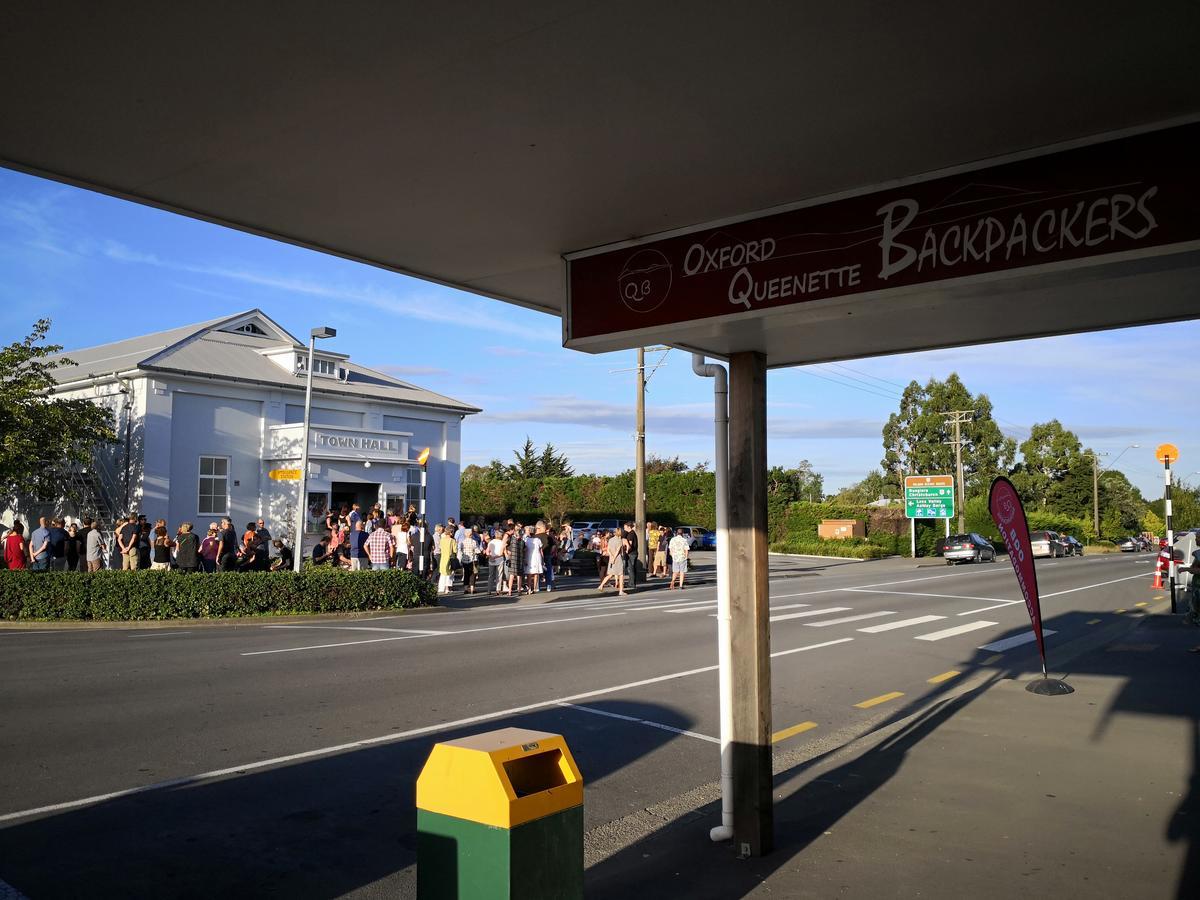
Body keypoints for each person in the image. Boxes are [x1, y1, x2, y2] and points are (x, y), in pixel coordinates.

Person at [599, 529, 626, 595]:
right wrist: (614, 558)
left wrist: (611, 556)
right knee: (621, 574)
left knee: (610, 574)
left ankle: (601, 585)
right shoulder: (619, 540)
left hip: (611, 558)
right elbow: (618, 550)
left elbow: (608, 549)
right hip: (618, 559)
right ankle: (621, 591)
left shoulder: (610, 540)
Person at [506, 523, 526, 596]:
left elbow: (507, 548)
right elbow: (524, 550)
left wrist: (507, 553)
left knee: (511, 576)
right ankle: (519, 590)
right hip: (520, 559)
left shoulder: (511, 539)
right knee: (519, 576)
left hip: (513, 559)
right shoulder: (522, 541)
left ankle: (510, 591)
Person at [523, 525, 543, 594]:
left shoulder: (526, 540)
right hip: (536, 557)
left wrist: (524, 558)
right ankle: (535, 588)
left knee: (529, 573)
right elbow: (541, 550)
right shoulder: (538, 540)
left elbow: (525, 550)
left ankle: (529, 588)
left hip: (529, 557)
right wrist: (542, 559)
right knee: (535, 573)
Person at [458, 526, 479, 593]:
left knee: (466, 574)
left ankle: (466, 588)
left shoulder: (462, 542)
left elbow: (460, 550)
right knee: (472, 574)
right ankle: (472, 588)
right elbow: (477, 550)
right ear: (471, 534)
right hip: (472, 560)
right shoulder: (473, 541)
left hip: (464, 560)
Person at [486, 528, 506, 594]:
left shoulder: (491, 542)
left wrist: (490, 556)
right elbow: (501, 553)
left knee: (490, 575)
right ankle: (498, 589)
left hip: (491, 560)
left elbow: (487, 551)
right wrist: (495, 557)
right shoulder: (502, 543)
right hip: (499, 560)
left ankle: (489, 590)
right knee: (499, 575)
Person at [436, 525, 455, 594]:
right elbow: (455, 550)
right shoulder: (452, 540)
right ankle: (447, 588)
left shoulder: (442, 540)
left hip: (443, 557)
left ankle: (441, 588)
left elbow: (440, 548)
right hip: (449, 558)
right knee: (449, 574)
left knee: (442, 573)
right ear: (451, 532)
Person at [622, 521, 638, 589]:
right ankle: (631, 583)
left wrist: (626, 550)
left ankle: (632, 584)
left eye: (625, 527)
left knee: (630, 569)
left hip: (631, 553)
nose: (624, 529)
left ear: (629, 527)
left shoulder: (631, 534)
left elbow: (630, 544)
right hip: (632, 553)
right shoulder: (631, 533)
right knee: (631, 568)